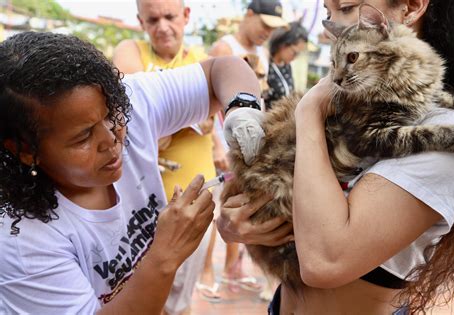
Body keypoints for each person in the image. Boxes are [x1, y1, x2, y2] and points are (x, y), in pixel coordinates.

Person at [217, 0, 454, 314]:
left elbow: (324, 261)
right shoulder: (356, 91)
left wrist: (309, 110)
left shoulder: (452, 130)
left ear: (411, 6)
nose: (332, 30)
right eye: (328, 13)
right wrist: (238, 220)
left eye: (348, 7)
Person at [0, 31, 264, 314]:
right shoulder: (20, 242)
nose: (112, 138)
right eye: (83, 137)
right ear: (25, 149)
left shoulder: (124, 103)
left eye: (112, 113)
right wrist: (165, 255)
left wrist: (243, 108)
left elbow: (222, 69)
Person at [113, 0, 227, 311]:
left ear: (186, 16)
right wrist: (190, 115)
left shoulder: (204, 60)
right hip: (138, 207)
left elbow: (206, 123)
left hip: (192, 196)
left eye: (169, 16)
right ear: (141, 21)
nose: (162, 26)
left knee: (179, 302)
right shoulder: (129, 49)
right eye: (153, 19)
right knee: (134, 295)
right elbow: (129, 111)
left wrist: (161, 122)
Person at [201, 0, 288, 294]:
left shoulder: (262, 52)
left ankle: (233, 269)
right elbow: (206, 107)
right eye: (264, 24)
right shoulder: (224, 49)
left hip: (251, 143)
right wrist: (215, 145)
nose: (267, 32)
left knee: (245, 207)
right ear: (248, 15)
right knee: (219, 209)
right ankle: (208, 273)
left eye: (273, 28)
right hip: (223, 142)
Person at [265, 22, 308, 110]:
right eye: (294, 52)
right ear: (283, 44)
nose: (295, 57)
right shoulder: (265, 62)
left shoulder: (287, 66)